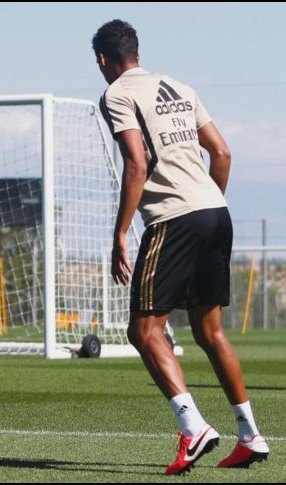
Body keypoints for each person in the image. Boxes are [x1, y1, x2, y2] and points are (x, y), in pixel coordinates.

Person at [92, 20, 269, 474]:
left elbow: (137, 162)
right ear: (136, 50)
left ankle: (193, 429)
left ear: (103, 60)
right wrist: (209, 204)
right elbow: (223, 153)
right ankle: (250, 435)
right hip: (216, 212)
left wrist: (119, 233)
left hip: (175, 218)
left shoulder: (116, 94)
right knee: (210, 332)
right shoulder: (179, 86)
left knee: (144, 331)